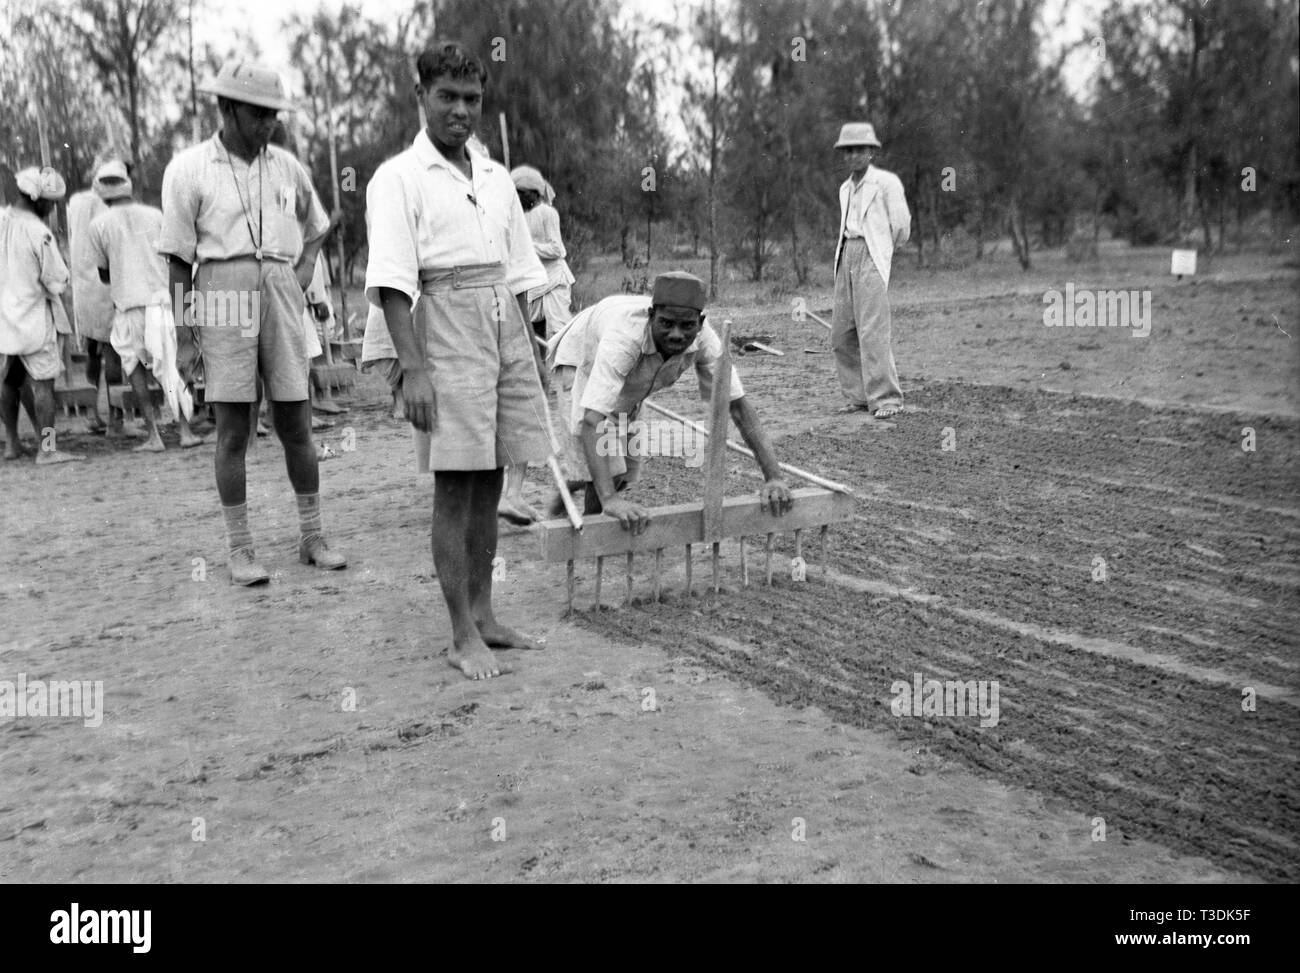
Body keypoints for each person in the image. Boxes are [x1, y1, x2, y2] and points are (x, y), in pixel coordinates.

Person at [366, 40, 551, 680]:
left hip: (502, 323)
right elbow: (392, 283)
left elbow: (523, 272)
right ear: (420, 97)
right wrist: (414, 368)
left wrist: (530, 351)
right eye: (447, 97)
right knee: (455, 482)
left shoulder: (498, 178)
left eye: (472, 99)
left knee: (494, 473)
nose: (461, 111)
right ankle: (457, 633)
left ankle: (485, 612)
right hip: (442, 322)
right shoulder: (398, 178)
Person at [159, 60, 346, 586]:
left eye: (274, 116)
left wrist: (302, 270)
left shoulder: (286, 166)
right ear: (226, 108)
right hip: (220, 288)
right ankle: (240, 548)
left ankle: (312, 534)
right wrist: (182, 333)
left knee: (296, 420)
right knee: (234, 427)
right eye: (258, 114)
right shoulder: (190, 169)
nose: (268, 124)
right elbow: (177, 258)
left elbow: (318, 225)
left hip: (281, 285)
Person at [546, 271, 793, 532]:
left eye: (687, 326)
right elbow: (592, 421)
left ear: (700, 322)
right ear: (651, 316)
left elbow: (738, 407)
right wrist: (610, 500)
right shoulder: (623, 339)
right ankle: (591, 531)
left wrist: (774, 477)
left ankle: (578, 480)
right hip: (582, 356)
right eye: (666, 324)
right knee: (609, 467)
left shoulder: (706, 340)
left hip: (629, 379)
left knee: (622, 469)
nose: (676, 334)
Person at [87, 159, 192, 453]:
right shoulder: (155, 215)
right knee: (171, 366)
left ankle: (154, 435)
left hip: (129, 304)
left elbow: (104, 274)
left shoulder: (98, 225)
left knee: (135, 369)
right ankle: (184, 431)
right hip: (161, 301)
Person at [496, 164, 577, 526]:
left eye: (524, 194)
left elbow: (556, 249)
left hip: (552, 280)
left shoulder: (546, 212)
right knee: (529, 339)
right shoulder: (512, 215)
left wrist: (528, 247)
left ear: (533, 193)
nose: (522, 200)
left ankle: (563, 379)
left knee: (558, 335)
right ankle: (505, 494)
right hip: (526, 285)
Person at [0, 166, 85, 464]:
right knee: (44, 385)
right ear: (37, 199)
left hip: (5, 317)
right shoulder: (39, 232)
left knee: (8, 381)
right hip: (34, 317)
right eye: (49, 202)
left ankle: (12, 442)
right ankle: (47, 448)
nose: (51, 207)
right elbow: (57, 279)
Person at [830, 122, 910, 419]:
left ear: (871, 152)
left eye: (859, 150)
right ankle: (858, 396)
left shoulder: (886, 183)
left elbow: (901, 226)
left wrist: (883, 251)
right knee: (841, 332)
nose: (853, 156)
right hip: (846, 253)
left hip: (871, 253)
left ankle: (886, 398)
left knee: (872, 330)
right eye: (847, 151)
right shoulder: (845, 188)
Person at [67, 171, 119, 434]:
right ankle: (115, 416)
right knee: (111, 351)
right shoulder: (105, 207)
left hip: (84, 286)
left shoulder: (76, 203)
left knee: (93, 351)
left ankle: (91, 413)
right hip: (104, 283)